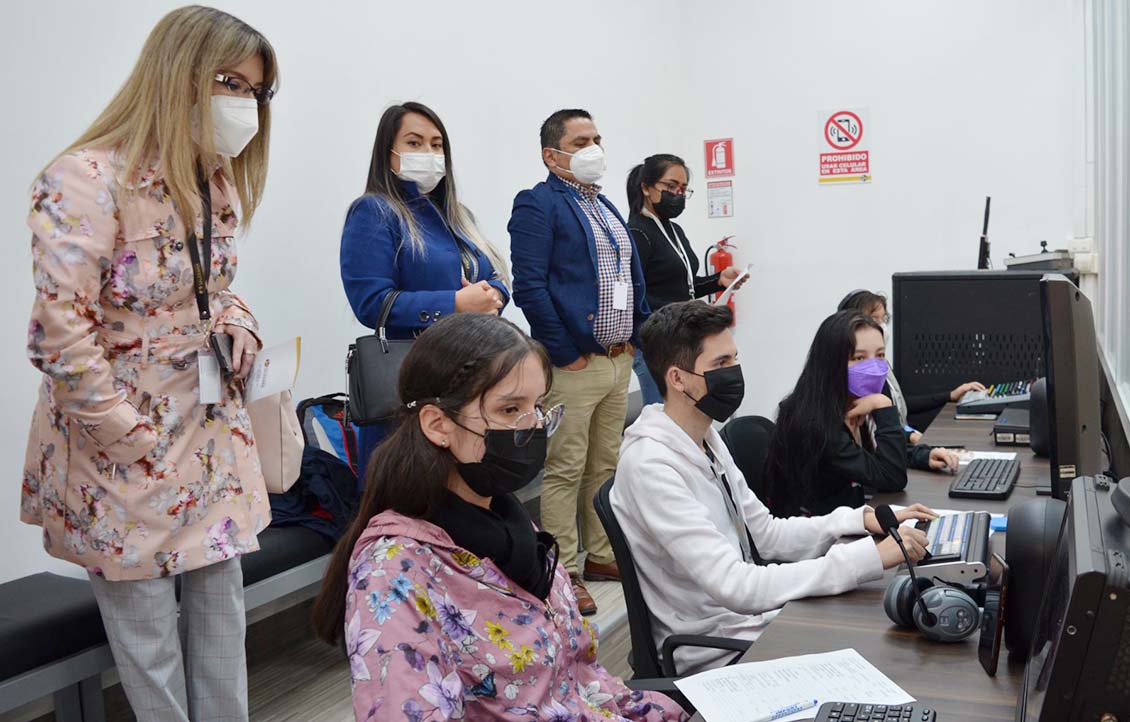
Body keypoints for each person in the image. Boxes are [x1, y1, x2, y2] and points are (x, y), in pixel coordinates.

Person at [21, 7, 277, 720]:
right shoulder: (83, 179)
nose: (243, 104)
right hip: (122, 443)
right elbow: (59, 335)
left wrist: (236, 323)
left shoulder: (210, 179)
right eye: (228, 81)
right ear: (178, 75)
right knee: (147, 638)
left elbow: (211, 290)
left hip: (207, 430)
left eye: (255, 90)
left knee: (221, 611)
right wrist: (126, 433)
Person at [311, 313, 685, 722]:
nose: (533, 427)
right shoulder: (395, 571)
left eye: (538, 407)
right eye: (509, 409)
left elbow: (582, 681)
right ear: (438, 424)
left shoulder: (515, 524)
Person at [611, 301, 934, 674]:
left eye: (734, 359)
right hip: (716, 650)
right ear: (677, 378)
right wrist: (871, 558)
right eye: (720, 365)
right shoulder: (651, 466)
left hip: (749, 624)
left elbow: (766, 533)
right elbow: (737, 585)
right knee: (889, 652)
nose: (733, 372)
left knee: (892, 636)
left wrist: (860, 520)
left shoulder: (705, 439)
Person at [508, 109, 648, 615]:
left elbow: (628, 278)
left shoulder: (604, 205)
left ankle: (603, 554)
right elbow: (530, 286)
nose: (595, 148)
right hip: (574, 363)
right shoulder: (537, 205)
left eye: (597, 138)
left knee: (605, 463)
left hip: (617, 359)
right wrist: (563, 354)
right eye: (581, 140)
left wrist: (637, 337)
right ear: (552, 154)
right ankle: (563, 568)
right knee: (565, 467)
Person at [341, 102, 508, 486]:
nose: (429, 154)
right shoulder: (375, 211)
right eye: (414, 143)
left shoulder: (455, 213)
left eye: (437, 145)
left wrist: (493, 295)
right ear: (389, 153)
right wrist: (454, 304)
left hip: (470, 378)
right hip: (411, 383)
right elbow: (372, 303)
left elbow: (494, 276)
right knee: (414, 499)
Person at [766, 312, 961, 518]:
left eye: (880, 355)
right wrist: (883, 405)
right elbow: (891, 477)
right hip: (822, 538)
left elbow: (873, 456)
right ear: (831, 362)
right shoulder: (815, 422)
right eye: (859, 358)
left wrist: (923, 456)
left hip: (852, 517)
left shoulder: (852, 401)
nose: (874, 366)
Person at [625, 154, 742, 405]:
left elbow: (681, 286)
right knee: (664, 415)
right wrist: (639, 340)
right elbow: (631, 294)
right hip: (655, 344)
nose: (677, 194)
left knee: (687, 411)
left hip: (681, 340)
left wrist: (718, 280)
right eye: (670, 186)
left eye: (683, 188)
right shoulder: (637, 233)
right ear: (646, 187)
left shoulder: (673, 229)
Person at [838, 289, 984, 437]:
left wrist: (950, 395)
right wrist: (909, 435)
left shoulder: (881, 364)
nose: (882, 326)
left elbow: (900, 404)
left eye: (884, 319)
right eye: (874, 319)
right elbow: (877, 423)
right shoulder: (862, 373)